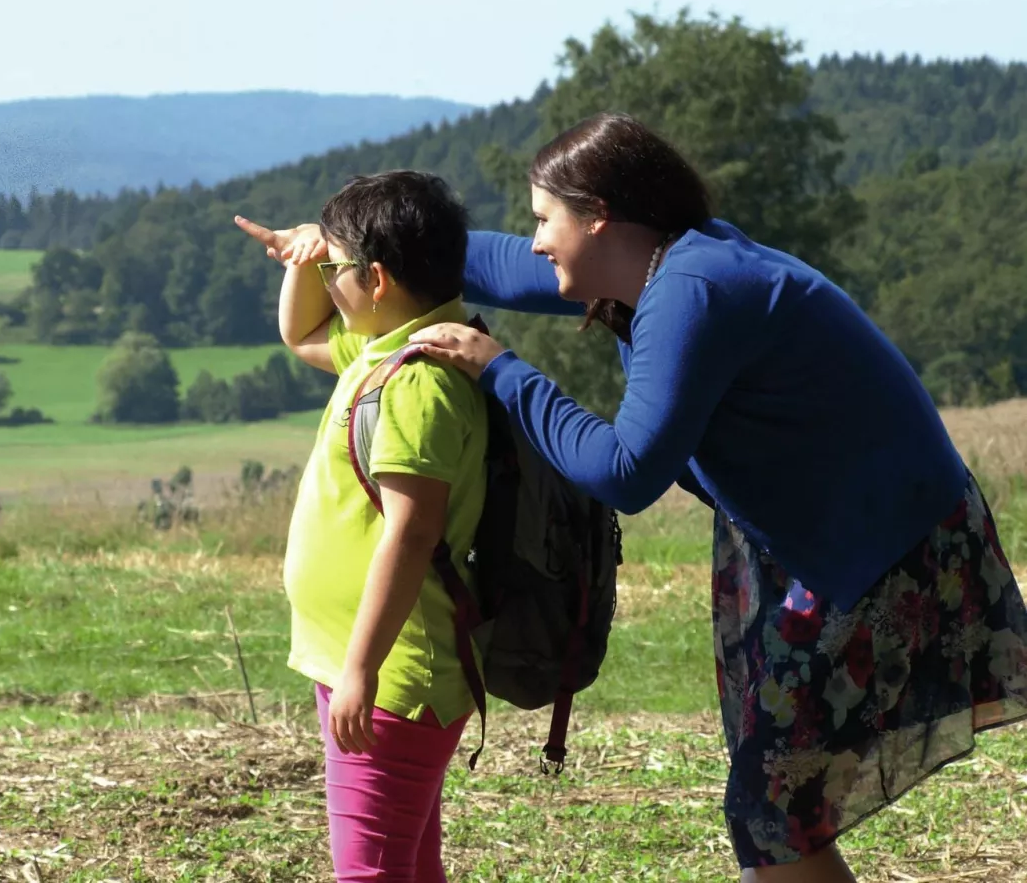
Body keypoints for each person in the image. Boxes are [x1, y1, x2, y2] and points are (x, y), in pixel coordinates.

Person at [388, 112, 1027, 881]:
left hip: (880, 548)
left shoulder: (693, 290)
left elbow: (626, 471)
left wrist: (501, 371)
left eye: (543, 218)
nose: (534, 240)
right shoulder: (655, 266)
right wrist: (362, 243)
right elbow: (489, 262)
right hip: (825, 536)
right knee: (775, 804)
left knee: (771, 805)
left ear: (598, 215)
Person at [234, 169, 487, 883]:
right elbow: (301, 331)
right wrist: (310, 259)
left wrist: (361, 668)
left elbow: (411, 535)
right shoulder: (385, 349)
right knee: (407, 866)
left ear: (376, 279)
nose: (329, 282)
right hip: (372, 668)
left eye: (338, 270)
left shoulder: (417, 383)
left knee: (368, 873)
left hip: (392, 676)